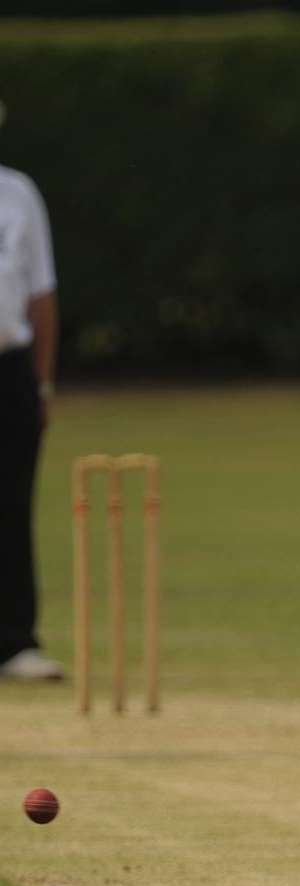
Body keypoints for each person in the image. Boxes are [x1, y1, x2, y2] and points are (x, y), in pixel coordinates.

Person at [0, 98, 63, 682]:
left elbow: (41, 295)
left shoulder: (18, 192)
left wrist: (42, 381)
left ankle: (16, 641)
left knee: (12, 504)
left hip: (9, 367)